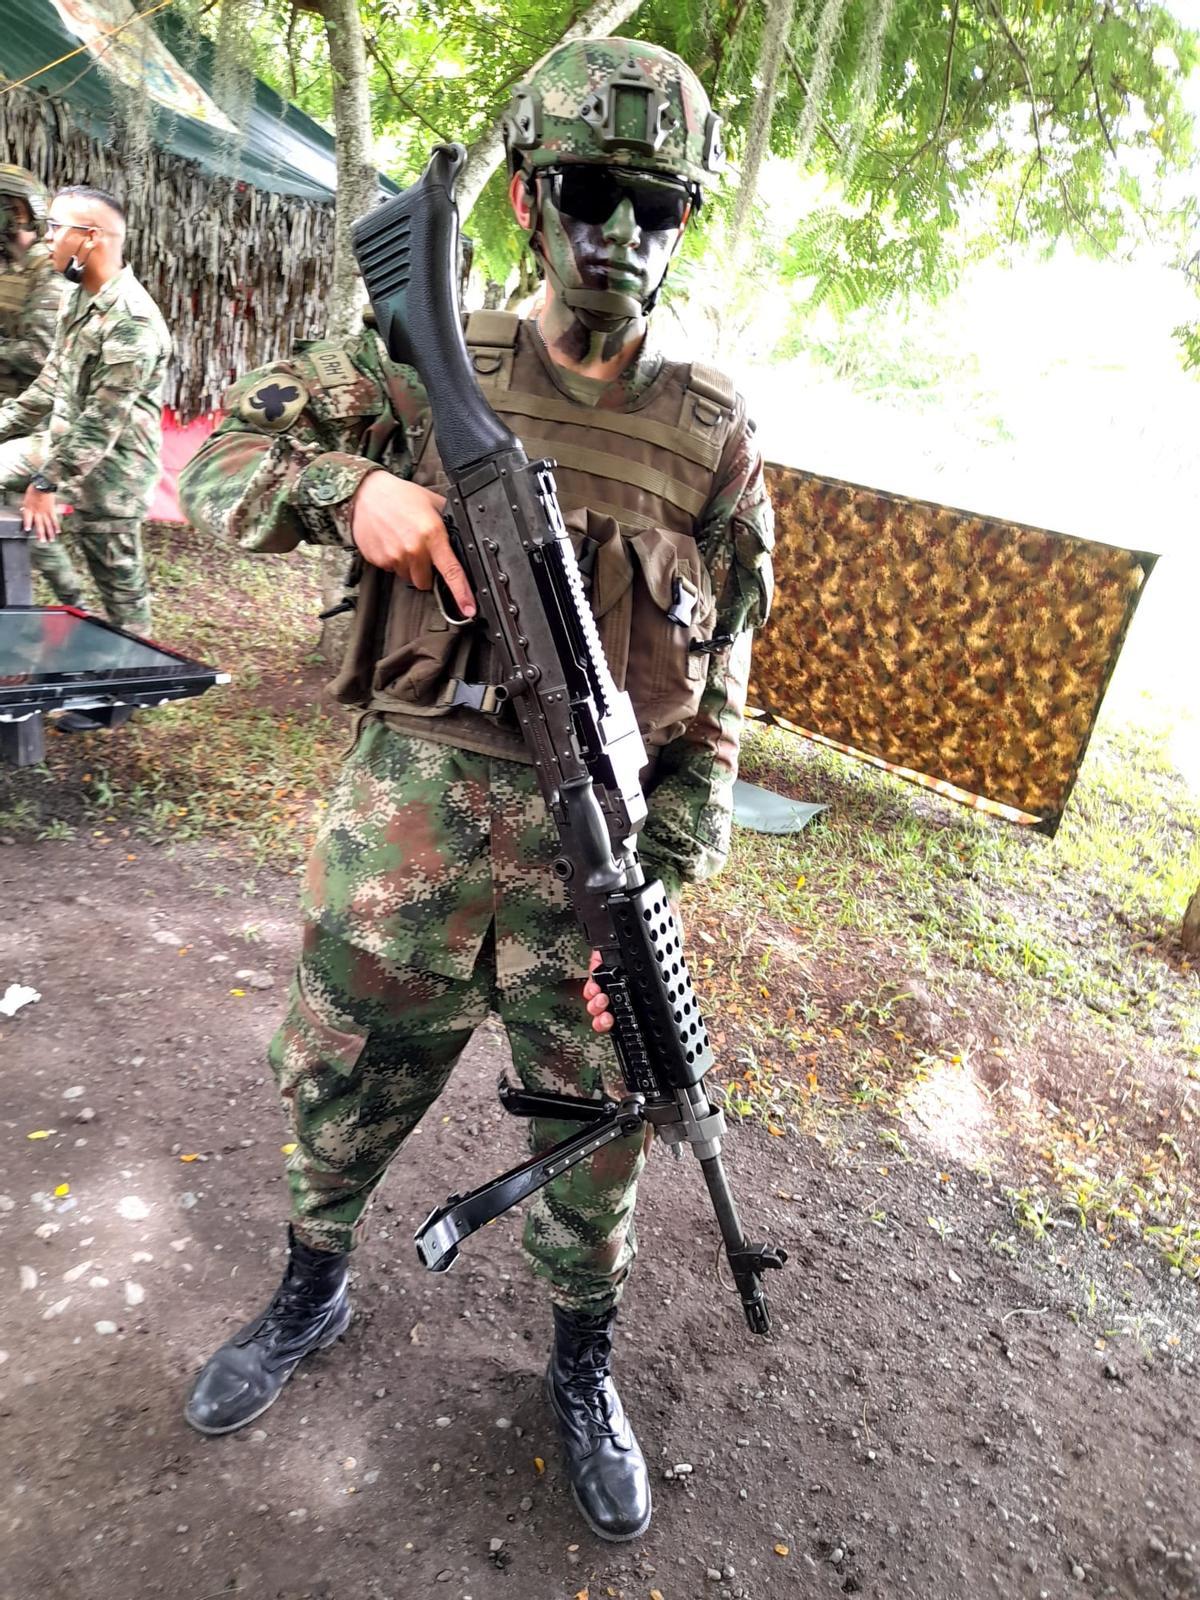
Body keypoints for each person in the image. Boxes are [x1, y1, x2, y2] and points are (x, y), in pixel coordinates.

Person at [178, 37, 774, 1543]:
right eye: (590, 193)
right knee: (335, 1096)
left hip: (592, 889)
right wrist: (352, 494)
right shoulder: (420, 360)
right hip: (401, 852)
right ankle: (310, 1292)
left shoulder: (713, 438)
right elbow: (219, 464)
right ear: (524, 195)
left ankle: (580, 1367)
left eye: (657, 208)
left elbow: (728, 687)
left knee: (596, 1157)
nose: (620, 236)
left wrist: (665, 871)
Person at [0, 185, 170, 640]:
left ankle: (128, 686)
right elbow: (51, 381)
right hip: (59, 446)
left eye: (56, 227)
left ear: (90, 237)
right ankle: (48, 602)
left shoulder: (130, 321)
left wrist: (45, 484)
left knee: (119, 589)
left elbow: (101, 423)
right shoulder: (79, 297)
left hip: (114, 470)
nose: (46, 238)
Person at [0, 165, 61, 401]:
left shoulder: (49, 270)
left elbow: (41, 354)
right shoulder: (8, 266)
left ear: (17, 212)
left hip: (30, 418)